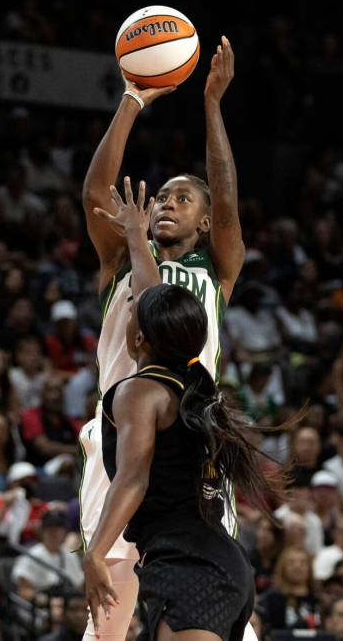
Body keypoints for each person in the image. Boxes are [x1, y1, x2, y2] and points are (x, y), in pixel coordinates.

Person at [80, 37, 248, 641]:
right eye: (164, 197)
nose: (167, 203)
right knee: (108, 602)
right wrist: (131, 98)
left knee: (206, 582)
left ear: (204, 221)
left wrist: (212, 106)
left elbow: (227, 201)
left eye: (184, 198)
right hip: (122, 428)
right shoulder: (125, 259)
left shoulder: (213, 270)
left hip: (194, 429)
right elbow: (96, 196)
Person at [82, 283, 293, 640]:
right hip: (218, 561)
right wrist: (136, 234)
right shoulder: (195, 387)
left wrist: (95, 554)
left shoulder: (140, 391)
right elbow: (154, 294)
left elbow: (133, 479)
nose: (126, 316)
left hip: (188, 566)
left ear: (139, 338)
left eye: (132, 312)